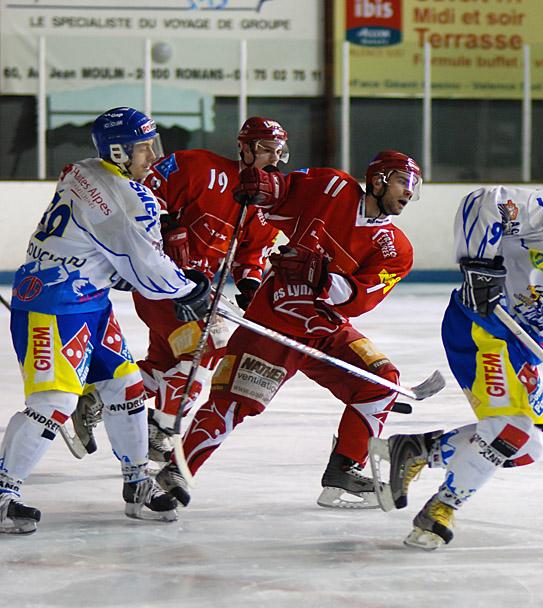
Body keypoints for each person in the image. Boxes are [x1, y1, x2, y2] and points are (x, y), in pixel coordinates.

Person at [368, 161, 543, 550]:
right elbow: (485, 202)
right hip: (481, 327)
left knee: (526, 447)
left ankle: (417, 450)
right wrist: (479, 265)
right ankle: (441, 509)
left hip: (523, 348)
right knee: (511, 428)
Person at [155, 150, 423, 510]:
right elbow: (280, 192)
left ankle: (345, 468)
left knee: (381, 382)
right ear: (378, 179)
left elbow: (362, 299)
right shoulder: (332, 187)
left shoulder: (398, 250)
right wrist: (262, 186)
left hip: (325, 328)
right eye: (404, 182)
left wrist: (322, 278)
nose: (409, 192)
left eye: (414, 186)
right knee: (233, 404)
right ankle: (177, 470)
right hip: (273, 322)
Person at [0, 107, 212, 534]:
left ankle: (137, 484)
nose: (152, 156)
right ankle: (3, 492)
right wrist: (188, 287)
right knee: (54, 403)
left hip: (88, 302)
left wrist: (113, 269)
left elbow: (100, 242)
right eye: (143, 148)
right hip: (51, 307)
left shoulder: (83, 170)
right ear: (117, 150)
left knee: (126, 385)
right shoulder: (125, 201)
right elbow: (149, 272)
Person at [109, 117, 283, 463]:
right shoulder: (197, 165)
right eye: (265, 150)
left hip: (199, 292)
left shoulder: (264, 203)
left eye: (278, 152)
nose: (273, 159)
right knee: (208, 351)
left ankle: (98, 397)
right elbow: (143, 190)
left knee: (164, 364)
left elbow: (252, 254)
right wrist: (162, 222)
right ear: (244, 148)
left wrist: (250, 285)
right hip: (161, 282)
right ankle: (161, 430)